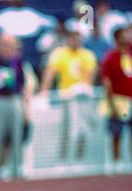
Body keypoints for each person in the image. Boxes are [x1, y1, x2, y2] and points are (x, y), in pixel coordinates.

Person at [41, 28, 97, 162]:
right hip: (66, 98)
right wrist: (44, 90)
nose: (76, 41)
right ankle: (63, 159)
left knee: (82, 130)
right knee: (65, 129)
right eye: (73, 37)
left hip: (82, 99)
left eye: (78, 38)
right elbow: (50, 73)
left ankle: (80, 159)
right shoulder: (60, 53)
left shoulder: (87, 55)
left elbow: (90, 77)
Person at [0, 33, 30, 179]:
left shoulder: (17, 62)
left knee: (16, 135)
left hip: (14, 100)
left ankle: (16, 169)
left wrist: (26, 109)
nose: (5, 48)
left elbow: (23, 86)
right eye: (3, 44)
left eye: (9, 45)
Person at [101, 27, 132, 173]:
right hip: (119, 100)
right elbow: (106, 81)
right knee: (116, 133)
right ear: (117, 38)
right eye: (124, 34)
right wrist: (111, 103)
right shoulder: (110, 57)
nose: (128, 36)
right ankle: (116, 162)